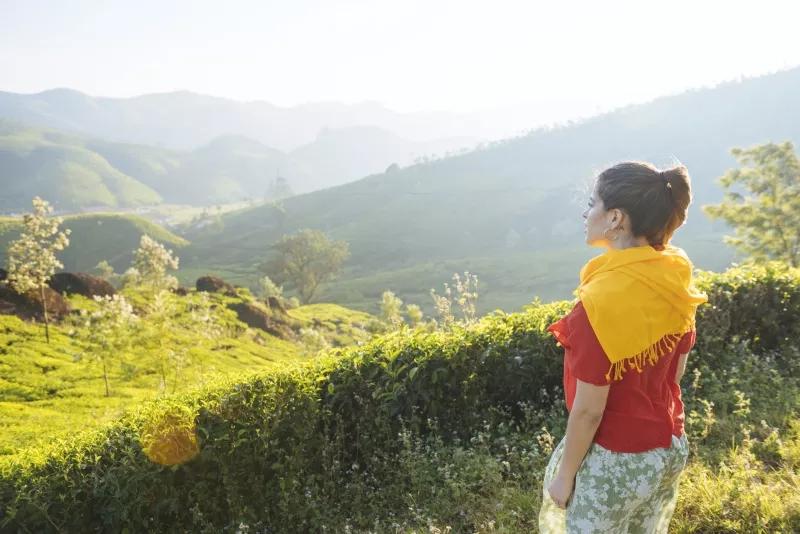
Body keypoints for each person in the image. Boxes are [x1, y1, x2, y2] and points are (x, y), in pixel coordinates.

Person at [538, 161, 709, 533]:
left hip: (615, 462)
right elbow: (675, 374)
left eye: (592, 203)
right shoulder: (674, 275)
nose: (586, 213)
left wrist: (565, 476)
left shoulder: (599, 303)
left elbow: (588, 412)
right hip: (668, 447)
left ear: (615, 218)